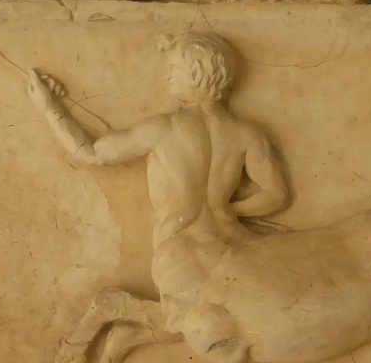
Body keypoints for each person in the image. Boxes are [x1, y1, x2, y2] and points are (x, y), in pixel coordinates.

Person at [26, 31, 290, 332]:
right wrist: (227, 210)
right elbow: (276, 195)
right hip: (235, 245)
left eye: (174, 68)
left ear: (197, 72)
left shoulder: (163, 128)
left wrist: (50, 108)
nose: (167, 75)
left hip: (182, 248)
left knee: (190, 329)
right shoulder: (247, 133)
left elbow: (92, 153)